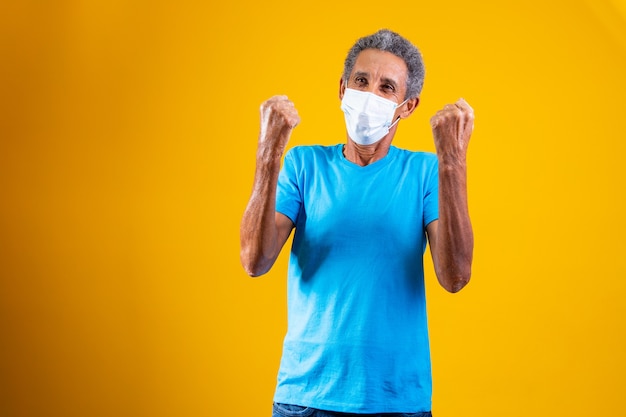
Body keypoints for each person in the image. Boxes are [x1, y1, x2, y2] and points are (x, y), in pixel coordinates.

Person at [240, 29, 474, 417]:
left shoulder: (424, 172)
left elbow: (455, 277)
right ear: (342, 88)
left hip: (397, 398)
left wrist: (453, 162)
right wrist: (268, 155)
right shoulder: (304, 165)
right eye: (361, 81)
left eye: (386, 88)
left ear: (407, 106)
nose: (369, 96)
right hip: (306, 395)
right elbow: (254, 260)